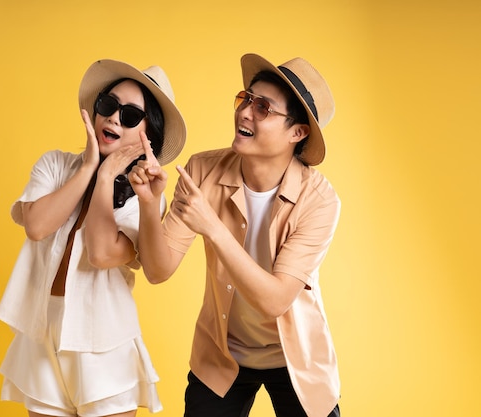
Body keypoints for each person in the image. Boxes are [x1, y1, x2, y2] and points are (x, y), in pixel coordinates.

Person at [128, 53, 341, 417]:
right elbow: (157, 270)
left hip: (295, 359)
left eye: (263, 108)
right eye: (245, 99)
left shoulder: (319, 201)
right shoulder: (202, 170)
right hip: (222, 353)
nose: (245, 112)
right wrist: (149, 204)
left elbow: (276, 300)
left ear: (297, 132)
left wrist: (211, 226)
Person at [0, 59, 187, 417]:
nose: (114, 118)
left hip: (103, 341)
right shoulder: (54, 165)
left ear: (149, 134)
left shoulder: (144, 196)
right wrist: (89, 166)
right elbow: (37, 226)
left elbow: (101, 253)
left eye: (130, 115)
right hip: (43, 335)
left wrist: (106, 178)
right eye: (108, 105)